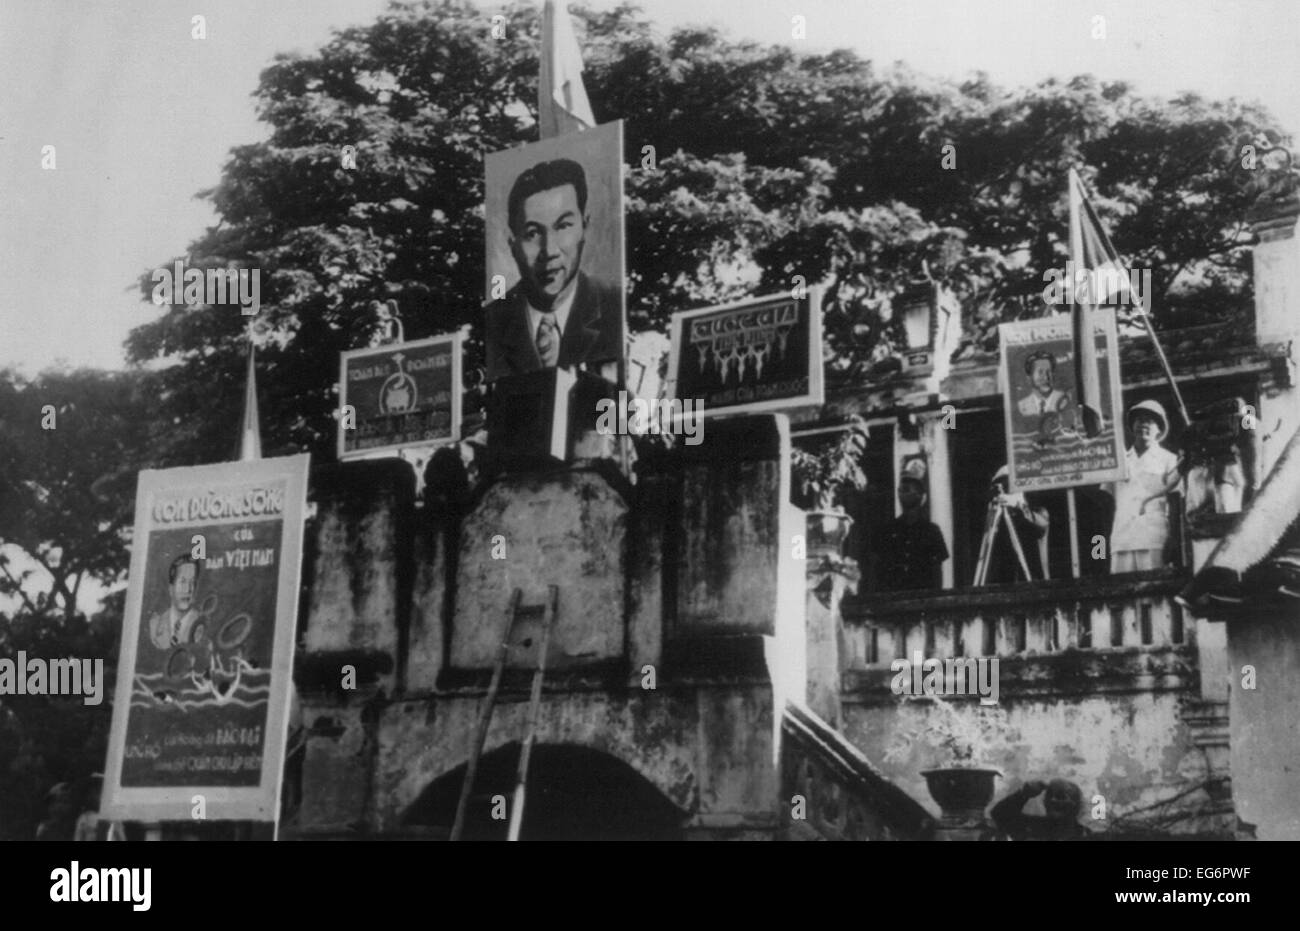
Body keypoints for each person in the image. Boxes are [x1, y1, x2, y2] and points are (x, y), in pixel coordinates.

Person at [485, 158, 623, 381]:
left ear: (584, 227)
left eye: (563, 226)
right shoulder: (493, 322)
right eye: (532, 233)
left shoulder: (615, 306)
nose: (549, 251)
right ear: (513, 245)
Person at [1109, 400, 1181, 573]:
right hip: (1122, 537)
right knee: (1121, 593)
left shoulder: (1168, 459)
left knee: (1156, 591)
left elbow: (1176, 500)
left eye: (1150, 421)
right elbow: (1107, 501)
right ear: (1132, 426)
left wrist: (1174, 539)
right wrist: (1101, 544)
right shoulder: (1119, 461)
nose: (1143, 425)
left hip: (1154, 537)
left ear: (1159, 429)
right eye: (1139, 420)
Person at [871, 464, 949, 593]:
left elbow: (937, 572)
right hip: (893, 600)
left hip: (921, 600)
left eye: (906, 490)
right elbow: (876, 570)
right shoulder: (887, 531)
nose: (901, 494)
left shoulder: (932, 531)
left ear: (919, 495)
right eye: (900, 490)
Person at [981, 466, 1051, 584]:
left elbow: (1041, 526)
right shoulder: (998, 518)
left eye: (1007, 485)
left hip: (1033, 581)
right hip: (1007, 583)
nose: (1003, 490)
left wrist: (1018, 505)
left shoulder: (1037, 512)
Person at [989, 779, 1089, 840]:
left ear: (1075, 804)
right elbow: (999, 815)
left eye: (1060, 796)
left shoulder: (1088, 837)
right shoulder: (1033, 827)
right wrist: (1023, 794)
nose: (1052, 800)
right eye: (1049, 795)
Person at [149, 554, 204, 650]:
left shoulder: (201, 624)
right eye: (183, 582)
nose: (188, 589)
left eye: (192, 582)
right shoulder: (155, 625)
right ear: (171, 588)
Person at [1016, 351, 1070, 420]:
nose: (1046, 377)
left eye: (1049, 371)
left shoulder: (1064, 400)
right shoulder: (1022, 406)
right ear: (1029, 378)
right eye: (1040, 372)